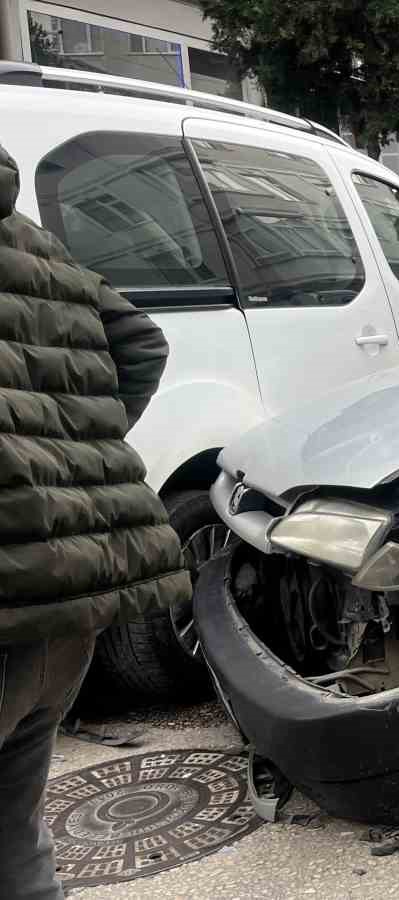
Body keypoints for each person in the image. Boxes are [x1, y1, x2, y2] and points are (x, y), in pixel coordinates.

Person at [0, 141, 189, 900]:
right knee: (16, 827)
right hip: (64, 599)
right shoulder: (34, 243)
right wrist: (71, 455)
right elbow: (141, 341)